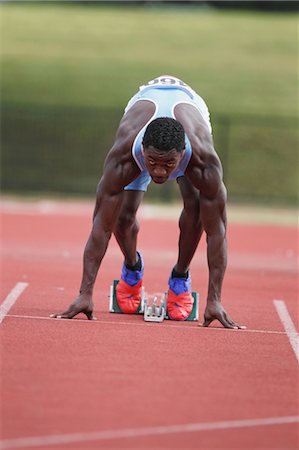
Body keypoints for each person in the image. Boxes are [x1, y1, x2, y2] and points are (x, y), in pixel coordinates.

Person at [51, 75, 245, 329]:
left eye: (169, 164)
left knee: (197, 210)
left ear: (181, 155)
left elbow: (217, 232)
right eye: (152, 163)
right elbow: (100, 226)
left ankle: (180, 278)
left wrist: (215, 300)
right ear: (142, 150)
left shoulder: (203, 161)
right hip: (143, 106)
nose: (160, 172)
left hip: (191, 107)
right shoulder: (124, 156)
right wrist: (85, 293)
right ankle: (132, 270)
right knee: (121, 215)